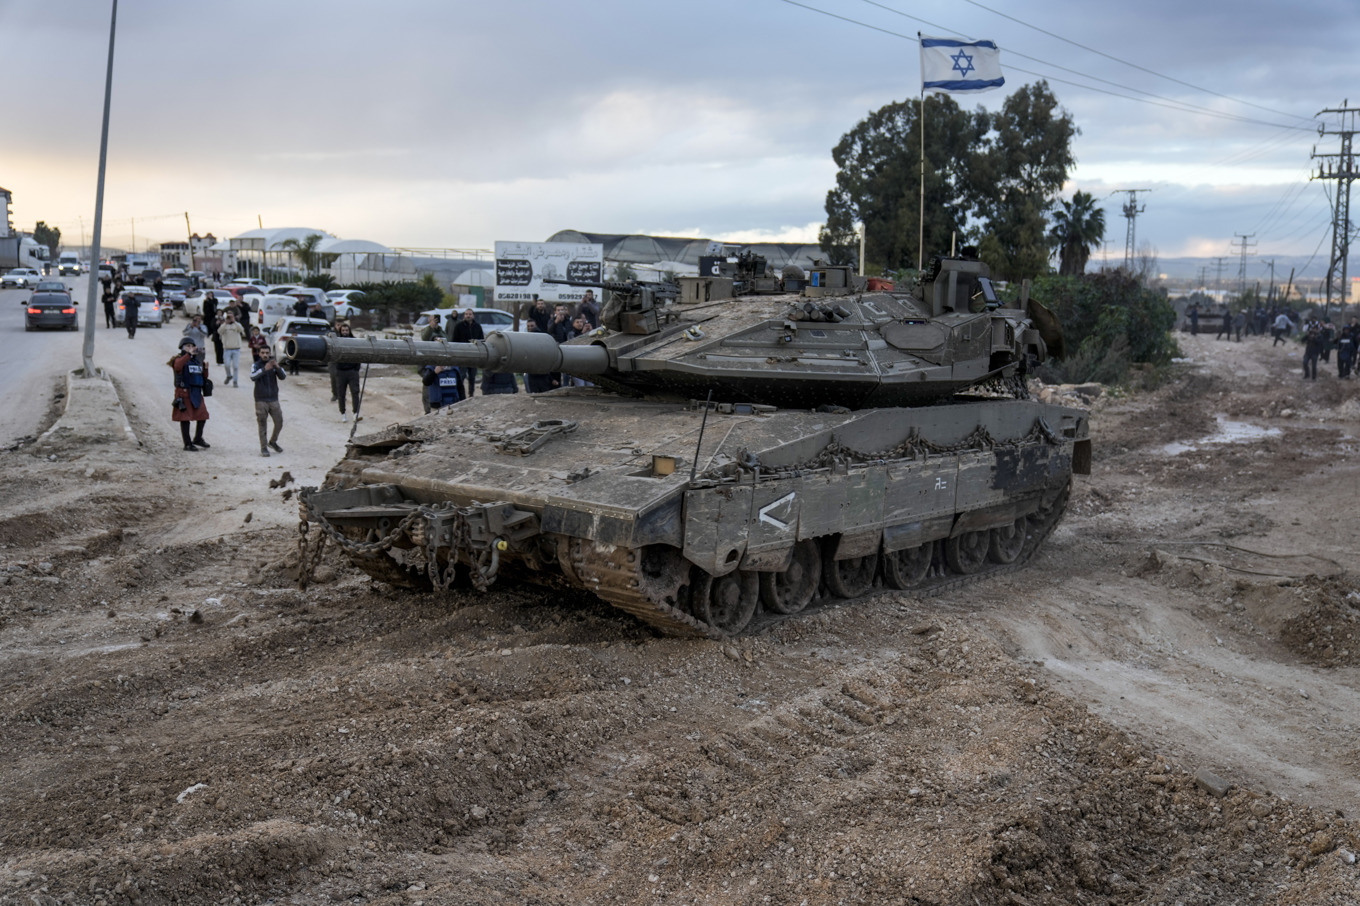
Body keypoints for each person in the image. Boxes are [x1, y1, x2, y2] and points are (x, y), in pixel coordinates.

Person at [170, 337, 210, 452]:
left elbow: (202, 377)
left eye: (192, 346)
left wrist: (206, 370)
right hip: (184, 393)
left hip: (196, 392)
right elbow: (178, 367)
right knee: (185, 418)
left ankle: (197, 438)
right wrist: (188, 355)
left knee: (203, 416)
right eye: (187, 346)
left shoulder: (196, 360)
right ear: (182, 348)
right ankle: (187, 444)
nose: (190, 348)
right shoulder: (179, 359)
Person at [250, 347, 286, 457]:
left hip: (273, 398)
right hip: (260, 399)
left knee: (279, 421)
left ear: (270, 353)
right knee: (262, 424)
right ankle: (263, 447)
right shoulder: (256, 365)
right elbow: (252, 377)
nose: (265, 355)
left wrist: (277, 367)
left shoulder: (274, 364)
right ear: (259, 354)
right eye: (263, 353)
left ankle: (273, 441)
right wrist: (264, 369)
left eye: (267, 353)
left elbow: (283, 376)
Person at [450, 308, 485, 398]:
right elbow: (454, 340)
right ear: (464, 315)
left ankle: (471, 394)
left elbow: (481, 340)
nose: (468, 316)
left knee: (472, 377)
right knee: (461, 376)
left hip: (474, 355)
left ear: (473, 315)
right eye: (466, 314)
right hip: (463, 355)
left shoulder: (477, 326)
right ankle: (460, 395)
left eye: (469, 314)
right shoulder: (459, 326)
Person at [333, 323, 363, 422]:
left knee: (355, 392)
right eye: (343, 331)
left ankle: (355, 413)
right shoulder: (337, 341)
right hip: (341, 371)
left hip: (352, 371)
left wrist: (356, 368)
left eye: (346, 330)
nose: (345, 332)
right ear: (340, 331)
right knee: (341, 394)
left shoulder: (354, 341)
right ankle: (343, 413)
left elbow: (359, 354)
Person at [218, 311, 246, 387]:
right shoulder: (224, 326)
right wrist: (225, 323)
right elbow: (219, 331)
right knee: (226, 365)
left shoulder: (237, 325)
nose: (230, 318)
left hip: (236, 349)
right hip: (227, 349)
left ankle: (235, 381)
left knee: (236, 366)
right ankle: (229, 375)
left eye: (231, 317)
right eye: (228, 317)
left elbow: (241, 330)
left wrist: (234, 321)